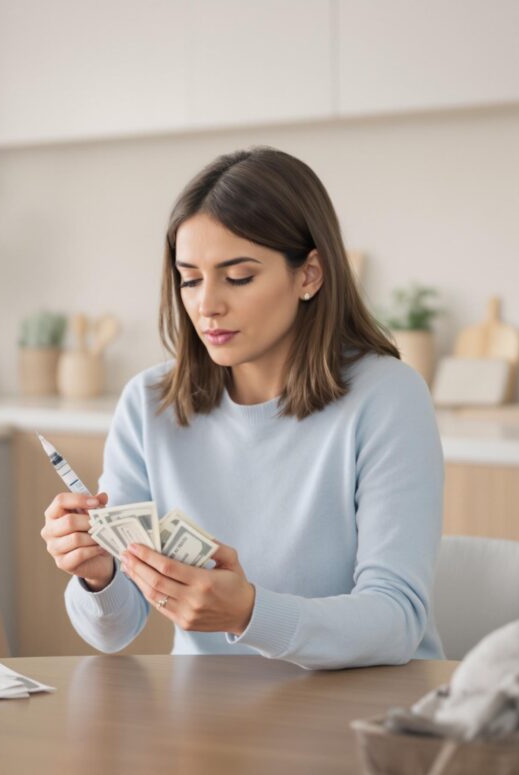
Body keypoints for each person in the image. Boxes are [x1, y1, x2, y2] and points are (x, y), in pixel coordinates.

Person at [39, 146, 445, 669]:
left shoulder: (388, 398)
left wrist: (250, 614)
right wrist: (98, 573)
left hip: (361, 713)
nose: (207, 304)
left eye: (238, 277)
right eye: (190, 278)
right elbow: (114, 631)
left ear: (309, 275)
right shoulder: (148, 404)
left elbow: (396, 623)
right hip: (210, 720)